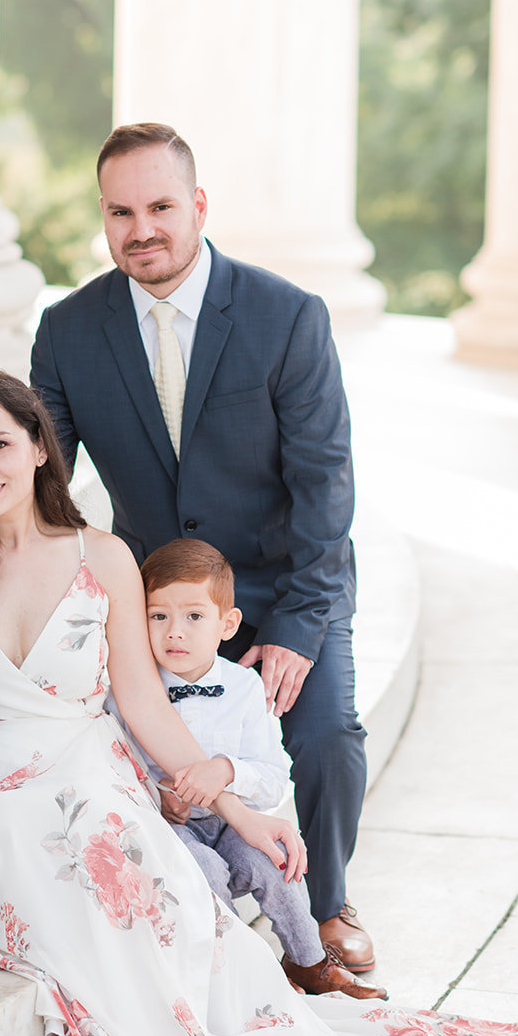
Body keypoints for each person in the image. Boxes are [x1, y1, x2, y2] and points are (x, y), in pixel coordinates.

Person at [0, 367, 518, 1036]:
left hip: (88, 759)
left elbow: (141, 702)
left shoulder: (102, 557)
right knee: (22, 831)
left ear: (41, 446)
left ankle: (187, 1020)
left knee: (106, 833)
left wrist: (238, 808)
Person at [30, 122, 374, 973]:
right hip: (156, 602)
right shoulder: (68, 331)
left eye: (159, 206)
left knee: (326, 737)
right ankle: (198, 897)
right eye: (120, 212)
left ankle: (326, 904)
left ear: (199, 206)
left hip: (285, 583)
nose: (141, 229)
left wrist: (297, 628)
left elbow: (326, 487)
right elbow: (43, 485)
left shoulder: (287, 317)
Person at [111, 537, 386, 1000]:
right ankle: (237, 973)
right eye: (158, 616)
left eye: (194, 616)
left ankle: (307, 962)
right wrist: (154, 796)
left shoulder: (243, 688)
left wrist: (227, 771)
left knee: (274, 860)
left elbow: (274, 774)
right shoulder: (129, 690)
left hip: (231, 823)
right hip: (167, 829)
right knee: (202, 871)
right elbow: (111, 760)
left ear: (227, 623)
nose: (174, 632)